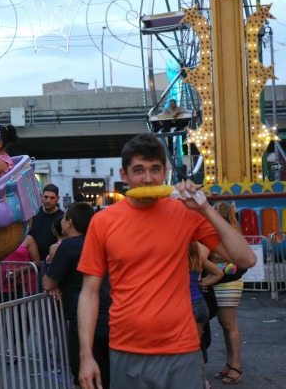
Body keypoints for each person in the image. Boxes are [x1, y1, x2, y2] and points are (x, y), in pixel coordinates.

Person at [76, 133, 256, 389]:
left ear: (165, 173)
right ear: (124, 175)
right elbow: (89, 293)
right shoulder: (103, 222)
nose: (148, 178)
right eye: (139, 170)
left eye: (155, 170)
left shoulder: (185, 211)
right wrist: (86, 356)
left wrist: (204, 208)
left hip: (182, 349)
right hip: (125, 349)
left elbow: (245, 258)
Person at [43, 202, 111, 388]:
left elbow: (48, 281)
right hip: (112, 317)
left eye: (64, 218)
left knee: (86, 378)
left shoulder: (68, 246)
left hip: (84, 321)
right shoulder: (101, 242)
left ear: (69, 223)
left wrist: (54, 283)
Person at [210, 201, 246, 385]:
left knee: (229, 324)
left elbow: (226, 255)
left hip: (227, 283)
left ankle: (236, 366)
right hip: (224, 282)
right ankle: (230, 363)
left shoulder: (225, 234)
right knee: (225, 324)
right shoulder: (231, 232)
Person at [189, 241, 223, 389]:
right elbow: (218, 273)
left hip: (185, 307)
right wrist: (201, 282)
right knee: (196, 348)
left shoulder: (174, 257)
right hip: (201, 306)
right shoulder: (197, 256)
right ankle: (203, 381)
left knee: (185, 349)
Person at [0, 235, 40, 302]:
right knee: (8, 310)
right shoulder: (1, 238)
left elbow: (37, 262)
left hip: (26, 284)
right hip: (6, 283)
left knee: (27, 310)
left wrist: (19, 271)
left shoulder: (28, 239)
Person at [29, 184, 64, 261]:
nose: (48, 200)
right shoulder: (33, 214)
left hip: (54, 261)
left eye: (52, 198)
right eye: (46, 197)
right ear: (42, 197)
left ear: (57, 199)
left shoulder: (63, 218)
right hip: (33, 262)